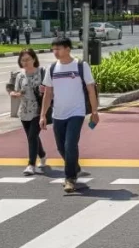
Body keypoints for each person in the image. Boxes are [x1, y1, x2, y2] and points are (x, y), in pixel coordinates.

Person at [39, 36, 99, 193]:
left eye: (58, 49)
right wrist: (43, 115)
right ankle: (74, 166)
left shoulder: (80, 65)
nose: (55, 52)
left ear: (67, 49)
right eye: (54, 49)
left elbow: (91, 88)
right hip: (58, 113)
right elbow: (48, 93)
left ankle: (70, 178)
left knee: (70, 144)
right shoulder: (52, 68)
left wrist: (94, 111)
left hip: (76, 112)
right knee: (60, 147)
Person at [10, 49, 47, 175]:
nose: (25, 62)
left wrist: (44, 90)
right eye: (22, 60)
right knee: (32, 137)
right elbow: (17, 90)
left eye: (28, 59)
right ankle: (42, 154)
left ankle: (31, 165)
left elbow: (50, 89)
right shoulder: (20, 75)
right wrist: (15, 94)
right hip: (24, 110)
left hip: (38, 110)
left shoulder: (42, 72)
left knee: (32, 136)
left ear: (34, 59)